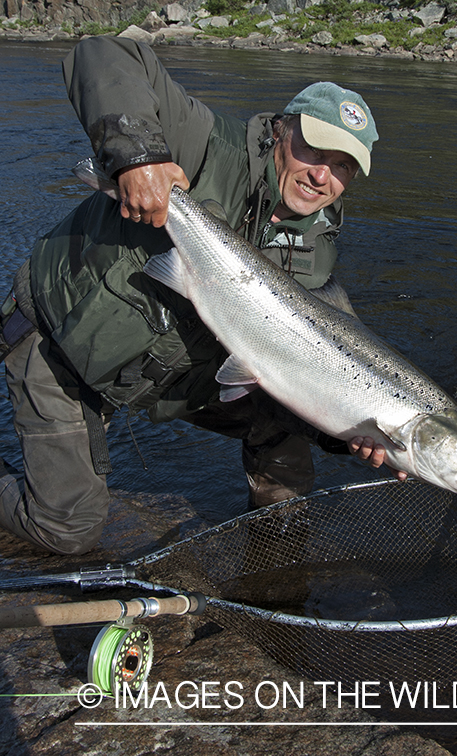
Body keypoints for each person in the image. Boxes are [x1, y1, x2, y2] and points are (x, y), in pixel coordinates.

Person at [0, 36, 402, 556]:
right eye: (314, 150)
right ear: (282, 130)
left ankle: (275, 561)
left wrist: (349, 431)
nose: (321, 174)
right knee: (66, 528)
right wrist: (137, 157)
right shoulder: (208, 144)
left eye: (342, 166)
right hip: (64, 350)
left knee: (285, 434)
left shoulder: (315, 251)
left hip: (167, 374)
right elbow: (103, 55)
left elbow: (293, 361)